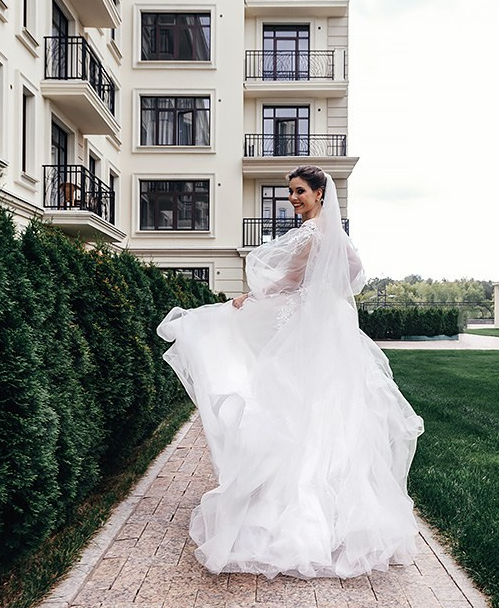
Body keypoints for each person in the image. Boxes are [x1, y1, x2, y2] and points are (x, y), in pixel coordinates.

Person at [157, 166, 423, 580]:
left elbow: (291, 277)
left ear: (320, 193)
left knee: (297, 404)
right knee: (329, 408)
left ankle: (297, 517)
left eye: (299, 191)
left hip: (314, 328)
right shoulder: (335, 235)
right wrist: (325, 293)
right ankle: (342, 517)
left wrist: (252, 296)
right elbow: (353, 273)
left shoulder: (312, 233)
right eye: (290, 192)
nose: (293, 198)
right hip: (333, 324)